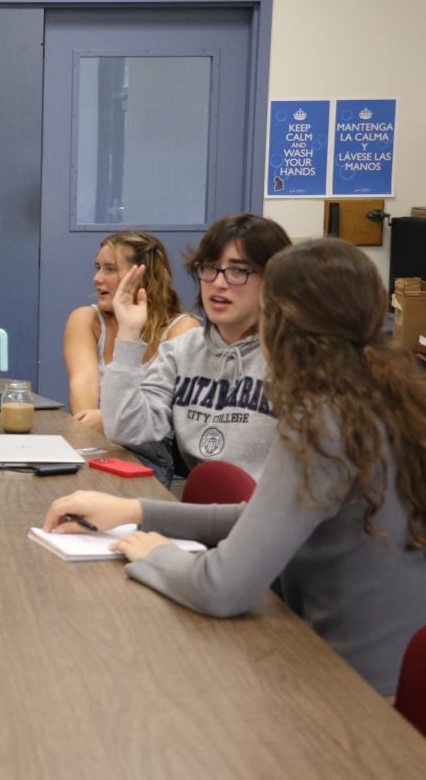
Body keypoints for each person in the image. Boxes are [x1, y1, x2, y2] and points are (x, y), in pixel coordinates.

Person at [44, 238, 426, 697]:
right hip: (389, 681)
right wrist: (137, 513)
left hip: (345, 695)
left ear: (277, 324)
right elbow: (260, 518)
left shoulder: (321, 421)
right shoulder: (388, 395)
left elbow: (222, 589)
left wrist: (153, 554)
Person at [100, 214, 291, 480]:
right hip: (202, 510)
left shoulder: (295, 356)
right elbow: (126, 428)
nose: (219, 283)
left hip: (269, 512)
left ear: (273, 279)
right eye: (210, 268)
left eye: (238, 271)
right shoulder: (183, 350)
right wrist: (129, 335)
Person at [65, 231, 198, 433]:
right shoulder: (85, 319)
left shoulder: (183, 329)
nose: (96, 278)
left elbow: (167, 411)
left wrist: (112, 420)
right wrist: (95, 430)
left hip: (154, 446)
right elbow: (84, 385)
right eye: (98, 268)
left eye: (109, 269)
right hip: (99, 441)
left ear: (143, 277)